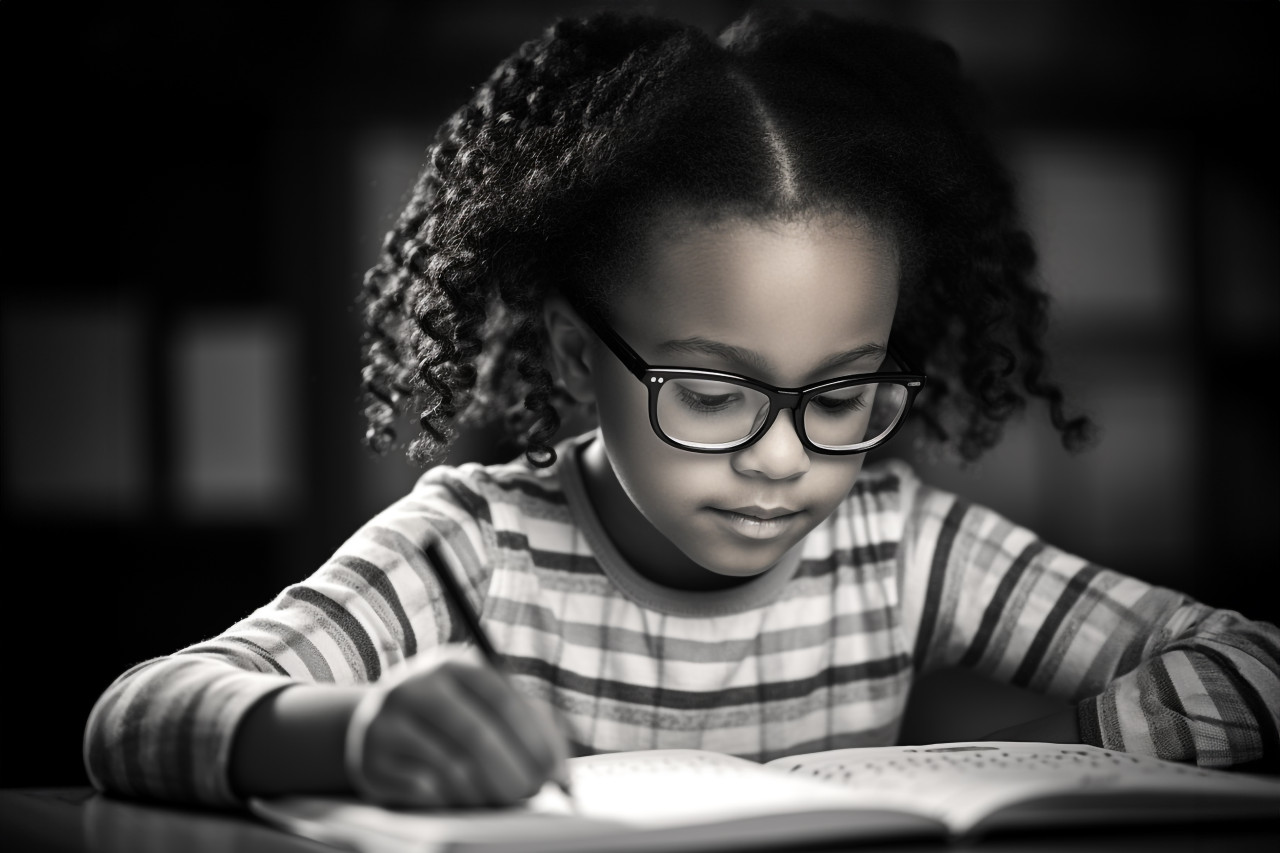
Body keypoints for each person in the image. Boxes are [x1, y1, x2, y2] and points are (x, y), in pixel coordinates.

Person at [84, 6, 1279, 809]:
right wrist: (344, 732)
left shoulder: (898, 543)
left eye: (842, 392)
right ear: (576, 350)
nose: (782, 460)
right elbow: (136, 713)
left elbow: (1247, 655)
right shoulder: (471, 552)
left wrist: (1092, 756)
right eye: (710, 392)